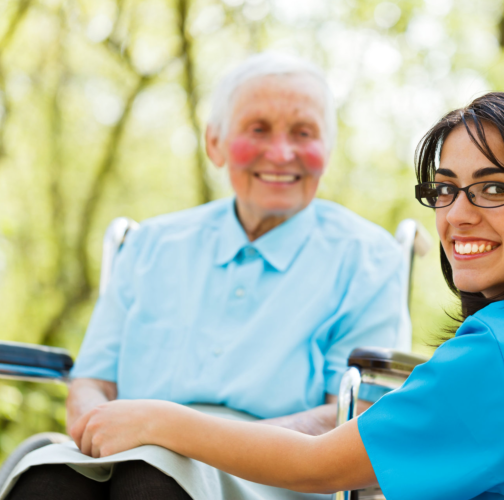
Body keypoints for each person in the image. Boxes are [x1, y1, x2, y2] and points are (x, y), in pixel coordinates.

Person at [54, 92, 504, 499]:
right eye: (445, 190)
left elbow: (315, 467)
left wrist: (158, 417)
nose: (457, 216)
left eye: (493, 189)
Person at [0, 53, 408, 500]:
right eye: (258, 129)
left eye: (303, 133)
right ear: (214, 143)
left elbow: (349, 415)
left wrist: (181, 437)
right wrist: (101, 431)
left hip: (270, 471)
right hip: (126, 449)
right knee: (47, 480)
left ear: (327, 151)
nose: (281, 152)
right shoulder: (151, 244)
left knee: (151, 479)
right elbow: (92, 383)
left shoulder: (368, 259)